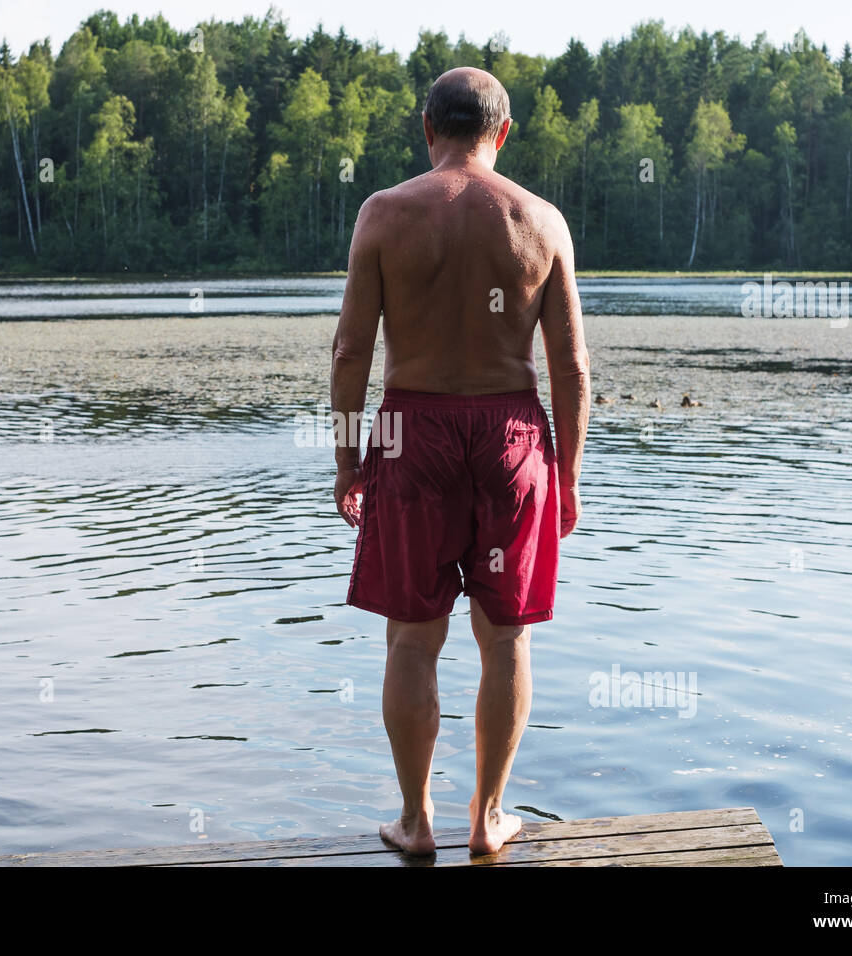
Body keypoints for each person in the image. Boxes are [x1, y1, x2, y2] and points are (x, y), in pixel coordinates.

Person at [330, 66, 590, 856]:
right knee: (505, 637)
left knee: (413, 639)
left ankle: (415, 822)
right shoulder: (540, 221)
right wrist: (568, 478)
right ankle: (488, 817)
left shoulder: (385, 213)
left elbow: (350, 351)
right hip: (512, 437)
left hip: (414, 431)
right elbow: (572, 367)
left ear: (425, 127)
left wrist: (348, 464)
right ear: (502, 133)